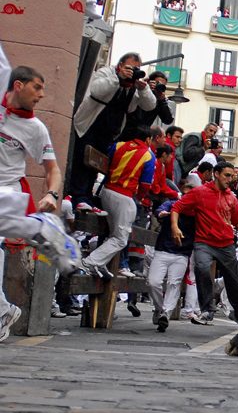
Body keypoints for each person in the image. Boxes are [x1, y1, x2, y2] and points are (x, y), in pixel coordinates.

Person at [0, 44, 82, 341]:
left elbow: (53, 170)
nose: (42, 95)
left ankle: (43, 227)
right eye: (37, 87)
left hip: (8, 191)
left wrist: (52, 195)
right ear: (17, 85)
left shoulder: (35, 128)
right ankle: (2, 311)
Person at [71, 52, 156, 212]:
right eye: (129, 68)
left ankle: (86, 198)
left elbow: (150, 105)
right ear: (120, 65)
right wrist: (118, 77)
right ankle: (78, 197)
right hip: (90, 125)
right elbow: (96, 90)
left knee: (97, 164)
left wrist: (143, 89)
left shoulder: (134, 87)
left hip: (110, 131)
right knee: (83, 160)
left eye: (136, 69)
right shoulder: (107, 73)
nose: (132, 72)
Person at [170, 161, 238, 325]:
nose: (230, 179)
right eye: (227, 175)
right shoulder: (200, 192)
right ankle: (207, 310)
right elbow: (177, 207)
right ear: (216, 174)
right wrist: (175, 227)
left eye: (232, 176)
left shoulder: (232, 198)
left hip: (226, 244)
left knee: (234, 280)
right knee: (202, 268)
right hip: (204, 241)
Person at [80, 126, 155, 279]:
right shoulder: (148, 155)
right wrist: (139, 198)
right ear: (148, 139)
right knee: (120, 239)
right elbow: (146, 185)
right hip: (125, 196)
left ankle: (100, 264)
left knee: (112, 233)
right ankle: (90, 262)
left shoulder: (118, 145)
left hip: (107, 191)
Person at [148, 179, 196, 333]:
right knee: (153, 282)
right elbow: (160, 210)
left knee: (174, 284)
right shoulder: (172, 204)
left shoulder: (197, 211)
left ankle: (165, 314)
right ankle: (159, 308)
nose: (187, 196)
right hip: (162, 250)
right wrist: (161, 213)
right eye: (185, 193)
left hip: (182, 254)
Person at [121, 71, 174, 138]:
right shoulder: (139, 90)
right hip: (125, 131)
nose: (159, 86)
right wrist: (146, 89)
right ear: (149, 82)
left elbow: (168, 120)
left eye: (162, 85)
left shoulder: (160, 100)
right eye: (157, 83)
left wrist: (162, 101)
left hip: (142, 136)